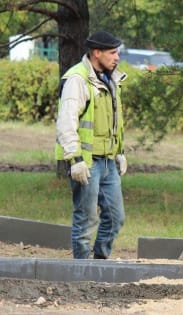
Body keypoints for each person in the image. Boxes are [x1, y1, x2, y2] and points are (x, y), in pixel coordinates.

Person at [55, 31, 128, 259]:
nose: (117, 58)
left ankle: (99, 262)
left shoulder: (111, 79)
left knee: (116, 217)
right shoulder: (78, 79)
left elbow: (114, 121)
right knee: (86, 219)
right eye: (113, 53)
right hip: (86, 162)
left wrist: (120, 153)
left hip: (107, 161)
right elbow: (67, 122)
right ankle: (82, 270)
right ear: (97, 53)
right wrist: (75, 160)